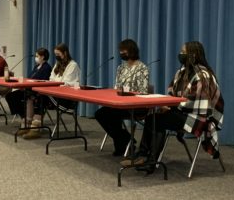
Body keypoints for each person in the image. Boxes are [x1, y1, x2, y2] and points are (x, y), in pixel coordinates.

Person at [130, 41, 224, 173]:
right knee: (152, 117)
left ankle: (150, 161)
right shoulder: (182, 72)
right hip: (181, 112)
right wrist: (167, 104)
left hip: (198, 118)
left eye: (184, 52)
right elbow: (172, 92)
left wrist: (171, 105)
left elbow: (196, 103)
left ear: (193, 55)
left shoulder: (203, 75)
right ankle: (143, 155)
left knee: (157, 120)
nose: (181, 55)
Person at [95, 39, 149, 156]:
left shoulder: (142, 68)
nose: (121, 53)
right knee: (100, 114)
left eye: (124, 51)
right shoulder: (121, 68)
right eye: (120, 51)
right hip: (120, 103)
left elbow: (143, 92)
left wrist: (129, 94)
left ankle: (121, 145)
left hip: (136, 106)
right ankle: (125, 139)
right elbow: (117, 88)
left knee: (113, 115)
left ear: (132, 51)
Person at [22, 43, 81, 139]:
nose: (57, 57)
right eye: (55, 54)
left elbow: (66, 82)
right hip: (55, 93)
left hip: (66, 98)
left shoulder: (73, 65)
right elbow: (51, 78)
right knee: (33, 94)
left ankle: (35, 128)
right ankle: (28, 124)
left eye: (58, 54)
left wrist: (55, 82)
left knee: (40, 96)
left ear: (65, 53)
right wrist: (56, 82)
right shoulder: (57, 64)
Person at [5, 47, 52, 126]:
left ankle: (28, 118)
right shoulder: (36, 67)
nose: (35, 58)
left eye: (37, 56)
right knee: (10, 96)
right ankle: (24, 116)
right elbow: (30, 77)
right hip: (29, 88)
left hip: (36, 91)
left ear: (42, 57)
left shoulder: (47, 67)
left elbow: (43, 81)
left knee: (22, 96)